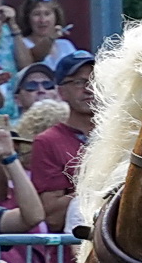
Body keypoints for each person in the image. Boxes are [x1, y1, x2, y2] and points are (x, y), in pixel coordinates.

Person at [29, 51, 94, 228]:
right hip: (75, 250)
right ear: (61, 91)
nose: (89, 88)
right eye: (79, 82)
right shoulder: (48, 142)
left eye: (95, 80)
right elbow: (53, 217)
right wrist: (102, 189)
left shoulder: (123, 136)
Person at [15, 0, 80, 71]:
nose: (42, 20)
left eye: (47, 14)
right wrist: (50, 39)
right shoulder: (22, 44)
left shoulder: (65, 45)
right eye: (37, 14)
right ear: (28, 18)